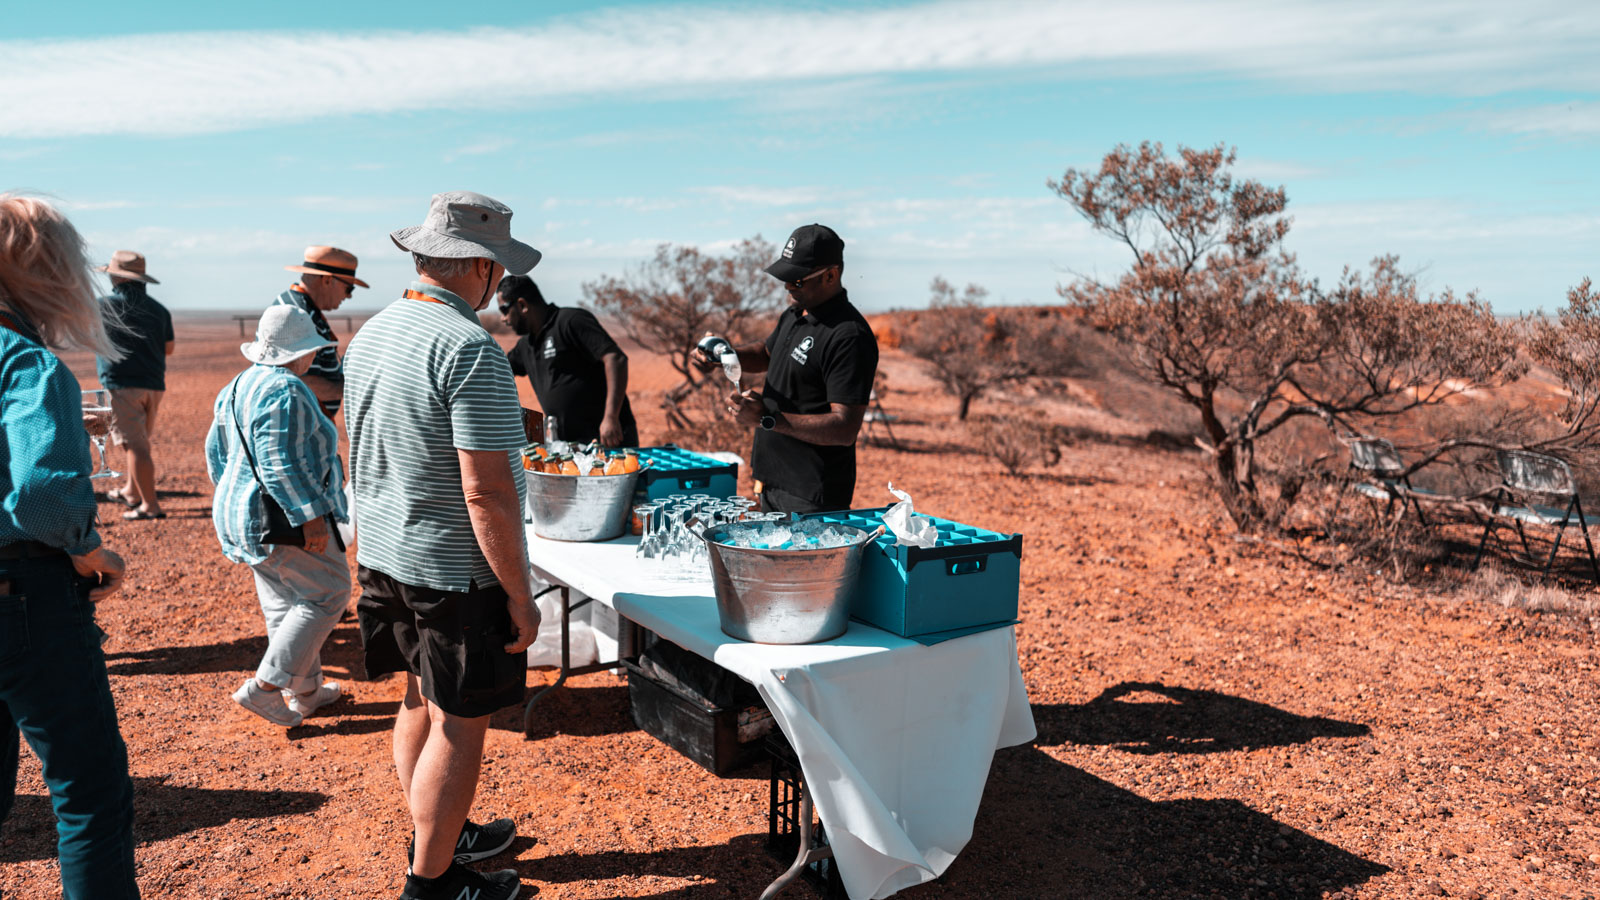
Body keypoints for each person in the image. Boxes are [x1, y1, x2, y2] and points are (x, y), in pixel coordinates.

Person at [343, 191, 542, 900]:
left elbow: (363, 453)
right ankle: (432, 884)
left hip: (386, 557)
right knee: (461, 724)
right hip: (455, 574)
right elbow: (487, 493)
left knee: (416, 699)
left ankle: (443, 835)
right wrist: (520, 596)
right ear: (480, 269)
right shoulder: (469, 349)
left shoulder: (372, 332)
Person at [0, 193, 139, 898]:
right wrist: (88, 549)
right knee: (90, 797)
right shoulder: (29, 366)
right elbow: (43, 497)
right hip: (24, 597)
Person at [206, 306, 351, 729]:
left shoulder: (237, 385)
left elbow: (215, 453)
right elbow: (279, 464)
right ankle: (266, 688)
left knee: (284, 602)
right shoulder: (286, 390)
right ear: (300, 352)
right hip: (280, 519)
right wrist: (308, 517)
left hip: (242, 515)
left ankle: (305, 691)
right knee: (329, 593)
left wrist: (236, 496)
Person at [693, 223, 879, 513]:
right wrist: (722, 355)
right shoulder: (795, 314)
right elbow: (767, 353)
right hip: (771, 482)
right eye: (786, 278)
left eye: (797, 281)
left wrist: (768, 418)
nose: (788, 287)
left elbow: (845, 427)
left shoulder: (848, 336)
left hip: (811, 495)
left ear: (831, 275)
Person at [498, 274, 638, 447]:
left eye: (504, 310)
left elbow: (616, 359)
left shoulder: (570, 321)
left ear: (522, 305)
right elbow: (498, 370)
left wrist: (611, 417)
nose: (503, 319)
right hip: (569, 446)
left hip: (607, 438)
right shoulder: (525, 346)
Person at [95, 250, 174, 521]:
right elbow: (170, 349)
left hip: (122, 385)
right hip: (154, 385)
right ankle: (131, 491)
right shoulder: (160, 311)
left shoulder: (103, 306)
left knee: (135, 446)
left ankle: (150, 506)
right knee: (139, 441)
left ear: (116, 277)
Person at [272, 245, 368, 419]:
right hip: (297, 423)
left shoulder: (301, 308)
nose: (349, 296)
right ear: (327, 280)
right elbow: (299, 380)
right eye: (349, 288)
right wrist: (358, 388)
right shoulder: (297, 313)